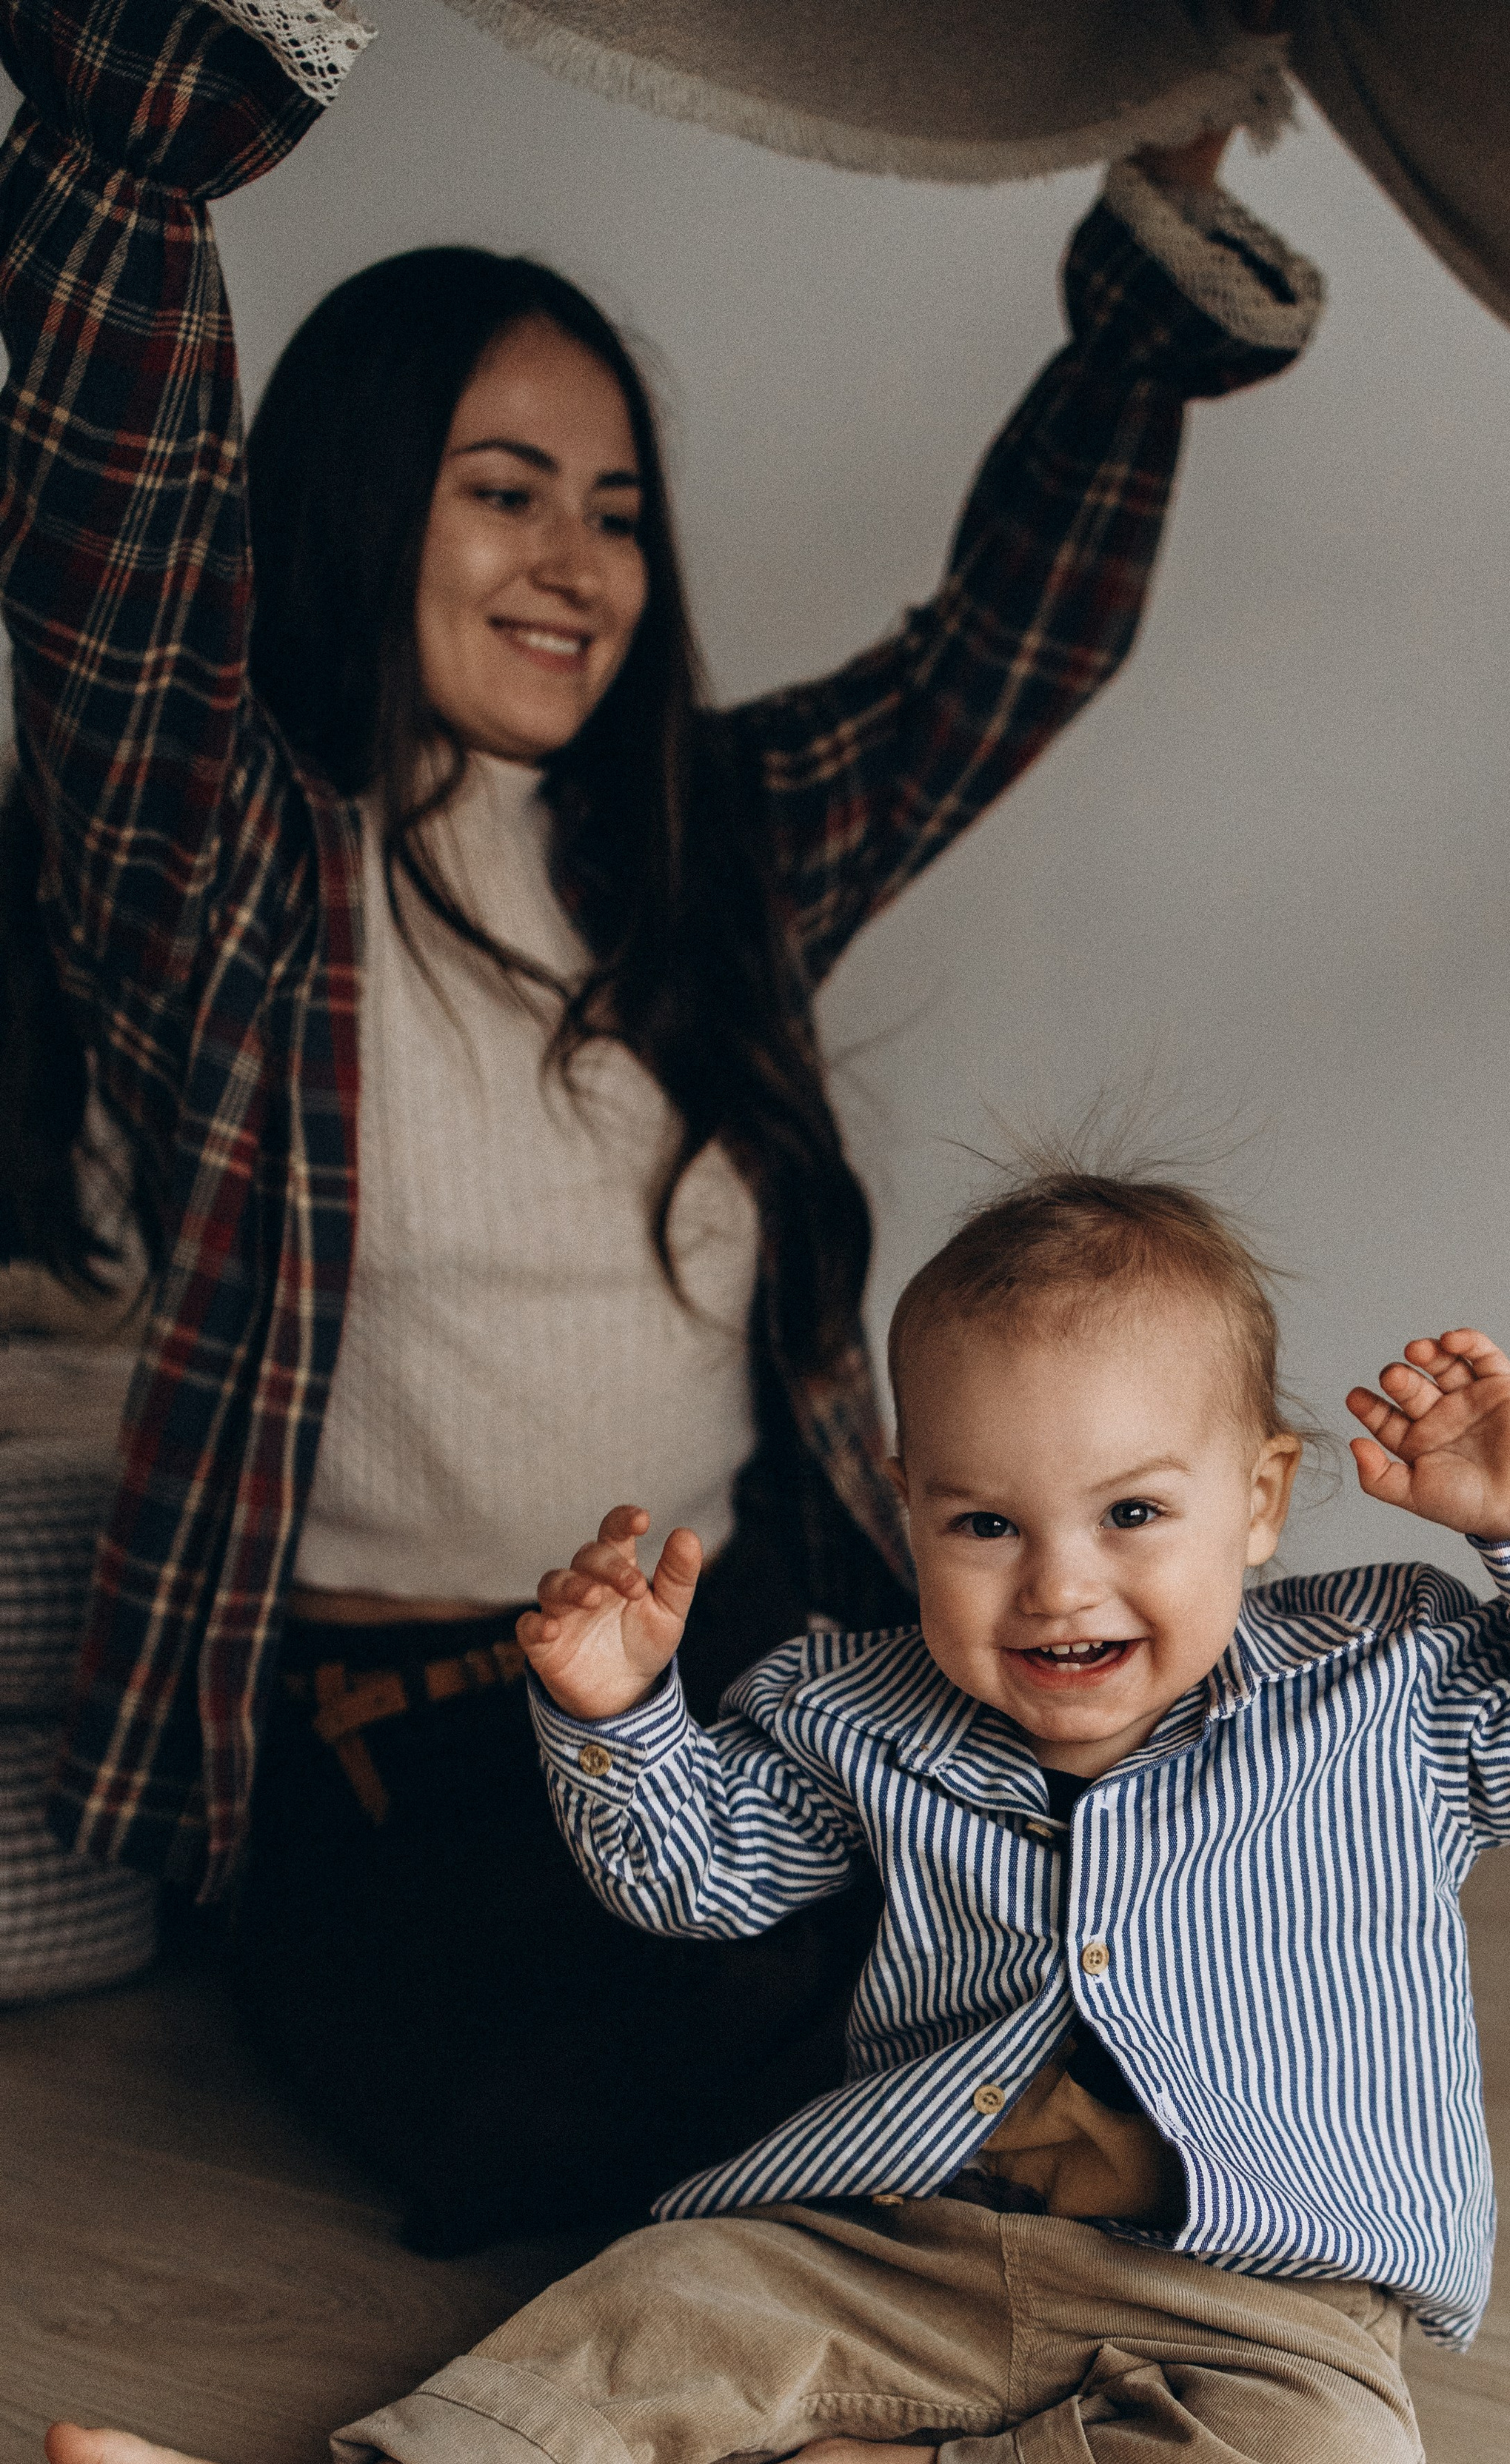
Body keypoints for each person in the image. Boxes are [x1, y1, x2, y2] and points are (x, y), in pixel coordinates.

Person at [0, 0, 1323, 2249]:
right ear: (350, 501)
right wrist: (142, 126)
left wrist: (1169, 210)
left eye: (617, 510)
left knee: (1208, 1903)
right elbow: (104, 563)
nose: (580, 564)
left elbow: (999, 655)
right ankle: (960, 2138)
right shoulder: (220, 864)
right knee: (547, 2115)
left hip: (750, 1665)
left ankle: (1007, 2116)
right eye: (502, 492)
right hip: (393, 1732)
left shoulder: (707, 853)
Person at [43, 1168, 1510, 2464]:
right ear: (905, 1504)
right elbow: (691, 1882)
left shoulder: (1386, 1682)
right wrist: (620, 1718)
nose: (1056, 1586)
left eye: (1132, 1515)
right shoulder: (861, 1706)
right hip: (902, 2233)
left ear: (1261, 1497)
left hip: (1257, 2286)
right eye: (983, 1524)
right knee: (661, 2302)